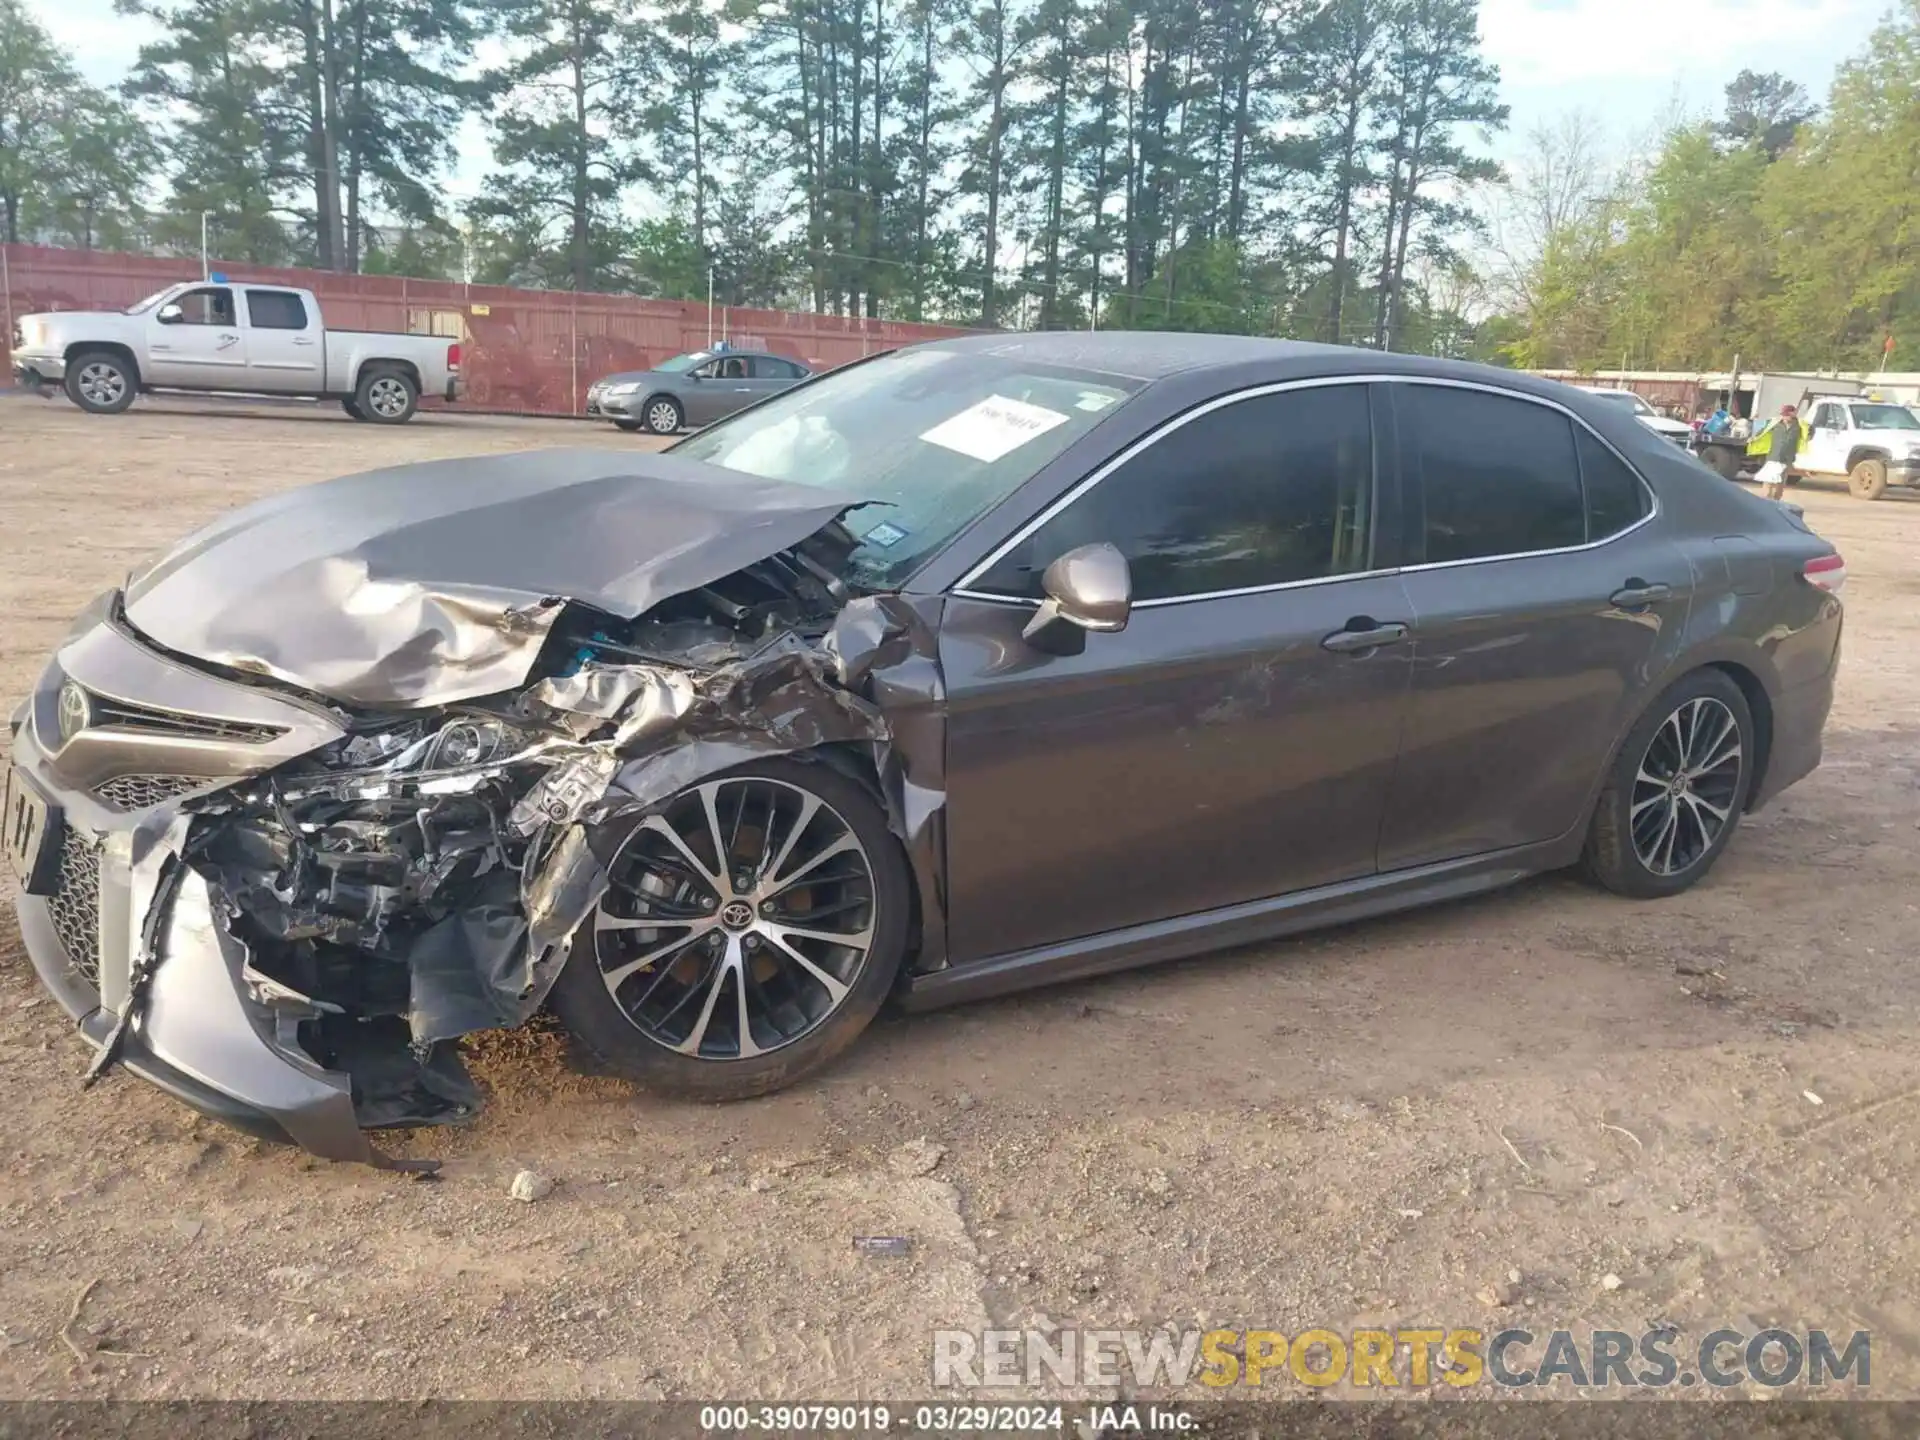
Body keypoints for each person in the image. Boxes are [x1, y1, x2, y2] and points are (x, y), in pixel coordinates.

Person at [1757, 403, 1801, 500]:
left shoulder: (1799, 426)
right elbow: (1761, 432)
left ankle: (1776, 503)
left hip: (1786, 460)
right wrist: (1753, 438)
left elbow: (1810, 434)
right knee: (1768, 483)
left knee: (1779, 486)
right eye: (1783, 415)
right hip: (1773, 457)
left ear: (1793, 414)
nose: (1784, 417)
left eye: (1787, 415)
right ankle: (1765, 502)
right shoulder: (1775, 424)